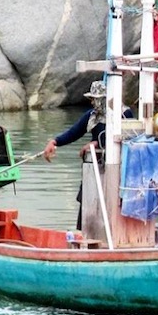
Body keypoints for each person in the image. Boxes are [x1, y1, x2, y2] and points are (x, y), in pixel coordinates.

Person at [44, 80, 133, 229]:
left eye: (95, 99)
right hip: (95, 166)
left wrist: (98, 143)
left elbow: (128, 139)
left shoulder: (124, 114)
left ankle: (115, 232)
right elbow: (74, 132)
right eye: (92, 99)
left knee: (113, 201)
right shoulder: (92, 116)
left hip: (117, 168)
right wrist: (55, 142)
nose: (93, 103)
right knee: (87, 198)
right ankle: (85, 232)